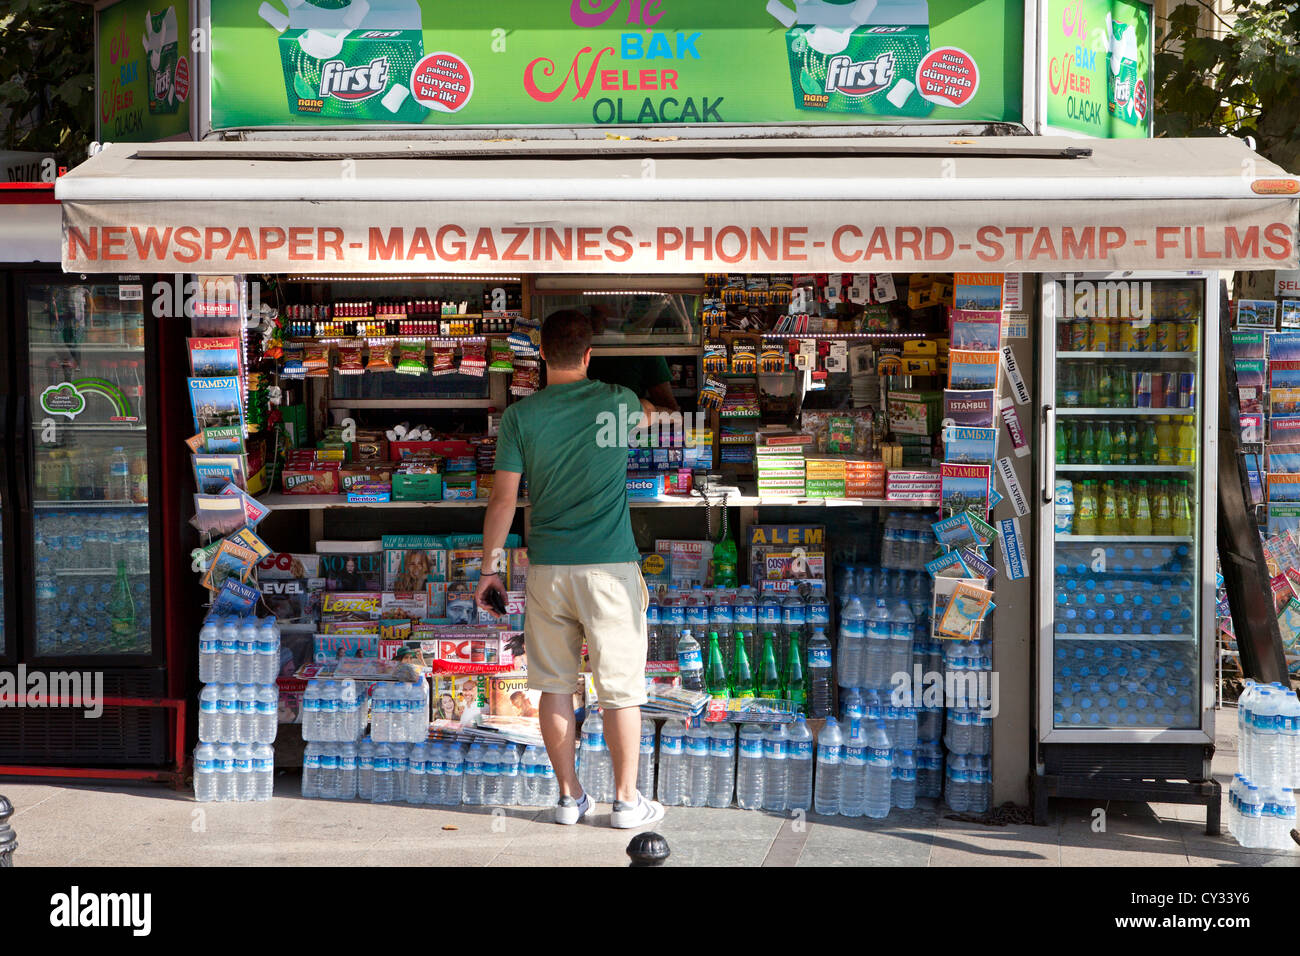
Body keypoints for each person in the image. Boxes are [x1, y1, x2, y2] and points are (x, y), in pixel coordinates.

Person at [476, 309, 665, 829]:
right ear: (588, 355)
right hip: (609, 570)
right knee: (621, 689)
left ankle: (569, 797)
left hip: (549, 572)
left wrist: (490, 569)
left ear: (540, 354)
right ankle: (626, 802)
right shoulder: (616, 402)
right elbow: (655, 414)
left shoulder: (521, 417)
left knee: (555, 686)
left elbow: (502, 501)